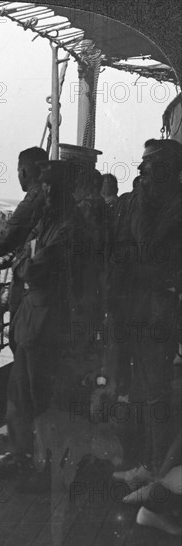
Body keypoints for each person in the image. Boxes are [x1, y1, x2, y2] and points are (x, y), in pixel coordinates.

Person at [0, 160, 82, 482]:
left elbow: (37, 266)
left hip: (50, 320)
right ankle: (20, 456)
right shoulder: (47, 219)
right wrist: (23, 263)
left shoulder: (71, 225)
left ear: (67, 188)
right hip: (30, 317)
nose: (48, 191)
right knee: (20, 392)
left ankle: (48, 467)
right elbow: (24, 258)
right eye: (45, 185)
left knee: (45, 396)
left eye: (54, 184)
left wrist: (24, 264)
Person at [112, 139, 182, 487]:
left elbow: (150, 252)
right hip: (139, 309)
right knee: (143, 388)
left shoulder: (173, 210)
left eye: (149, 165)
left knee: (155, 392)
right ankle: (147, 462)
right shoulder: (150, 205)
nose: (141, 171)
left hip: (159, 314)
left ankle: (156, 469)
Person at [0, 147, 48, 349]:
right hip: (34, 274)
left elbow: (8, 236)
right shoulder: (47, 195)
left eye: (18, 172)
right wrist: (6, 259)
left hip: (30, 281)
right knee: (0, 306)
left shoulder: (34, 199)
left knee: (19, 336)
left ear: (24, 172)